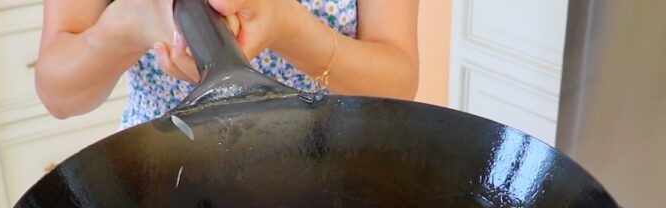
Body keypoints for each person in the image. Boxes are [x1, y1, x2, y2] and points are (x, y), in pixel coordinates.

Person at [35, 0, 419, 127]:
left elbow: (398, 83)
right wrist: (126, 24)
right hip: (164, 177)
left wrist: (288, 27)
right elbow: (59, 95)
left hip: (332, 167)